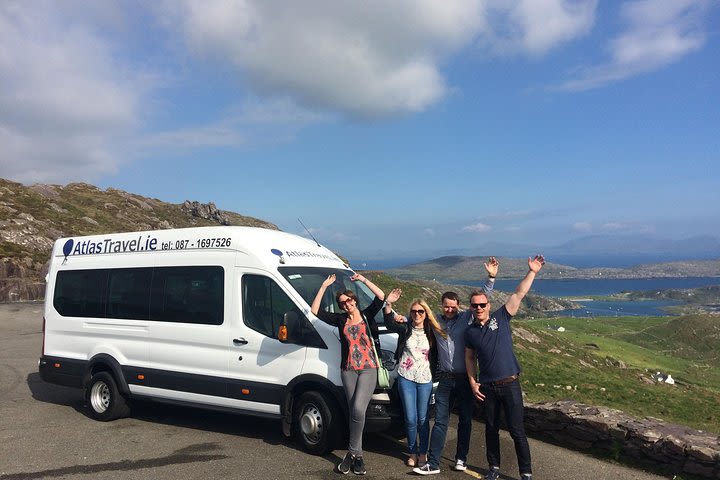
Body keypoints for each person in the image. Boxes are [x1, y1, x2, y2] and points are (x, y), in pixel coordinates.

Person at [413, 257, 499, 475]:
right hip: (444, 377)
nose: (450, 310)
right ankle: (433, 462)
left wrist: (491, 277)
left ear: (458, 306)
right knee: (440, 421)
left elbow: (482, 299)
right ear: (441, 306)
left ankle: (461, 458)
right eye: (446, 307)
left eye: (453, 307)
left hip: (465, 378)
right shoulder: (435, 321)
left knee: (466, 421)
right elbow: (415, 316)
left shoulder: (466, 318)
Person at [464, 255, 545, 480]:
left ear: (488, 305)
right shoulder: (470, 332)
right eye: (475, 305)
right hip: (488, 387)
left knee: (517, 431)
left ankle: (526, 473)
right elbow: (469, 359)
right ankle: (494, 468)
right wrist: (472, 382)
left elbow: (519, 293)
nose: (479, 307)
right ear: (471, 308)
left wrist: (532, 272)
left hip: (510, 384)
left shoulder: (501, 316)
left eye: (482, 304)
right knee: (490, 429)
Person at [311, 272, 385, 476]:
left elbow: (381, 296)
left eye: (349, 300)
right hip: (348, 370)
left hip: (369, 368)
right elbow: (315, 311)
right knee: (354, 412)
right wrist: (324, 286)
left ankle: (352, 454)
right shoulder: (340, 319)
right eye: (343, 303)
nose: (347, 304)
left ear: (354, 300)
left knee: (359, 410)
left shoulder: (367, 315)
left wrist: (363, 280)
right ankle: (357, 457)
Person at [382, 291, 442, 468]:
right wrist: (389, 304)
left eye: (420, 311)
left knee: (423, 419)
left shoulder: (432, 331)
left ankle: (423, 452)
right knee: (410, 418)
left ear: (426, 313)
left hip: (425, 379)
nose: (417, 314)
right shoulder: (405, 328)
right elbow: (388, 323)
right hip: (406, 378)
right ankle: (412, 452)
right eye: (414, 311)